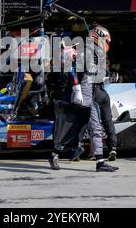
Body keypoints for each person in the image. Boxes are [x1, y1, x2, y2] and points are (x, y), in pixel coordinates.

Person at [49, 25, 119, 172]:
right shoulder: (86, 50)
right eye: (105, 40)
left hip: (91, 93)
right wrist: (76, 88)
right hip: (82, 93)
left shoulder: (95, 53)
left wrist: (107, 77)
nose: (106, 44)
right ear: (98, 37)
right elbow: (72, 67)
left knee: (96, 128)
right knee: (71, 127)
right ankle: (54, 155)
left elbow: (93, 75)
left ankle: (100, 163)